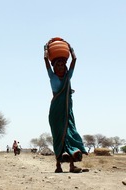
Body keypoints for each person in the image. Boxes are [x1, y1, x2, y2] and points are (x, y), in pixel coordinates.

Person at [44, 39, 88, 173]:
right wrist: (46, 49)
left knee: (71, 134)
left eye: (63, 65)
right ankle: (58, 165)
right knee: (58, 137)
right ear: (54, 67)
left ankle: (72, 165)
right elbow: (45, 61)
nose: (61, 67)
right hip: (56, 112)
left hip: (67, 111)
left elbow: (74, 60)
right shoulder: (52, 77)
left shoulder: (68, 77)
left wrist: (70, 48)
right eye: (58, 65)